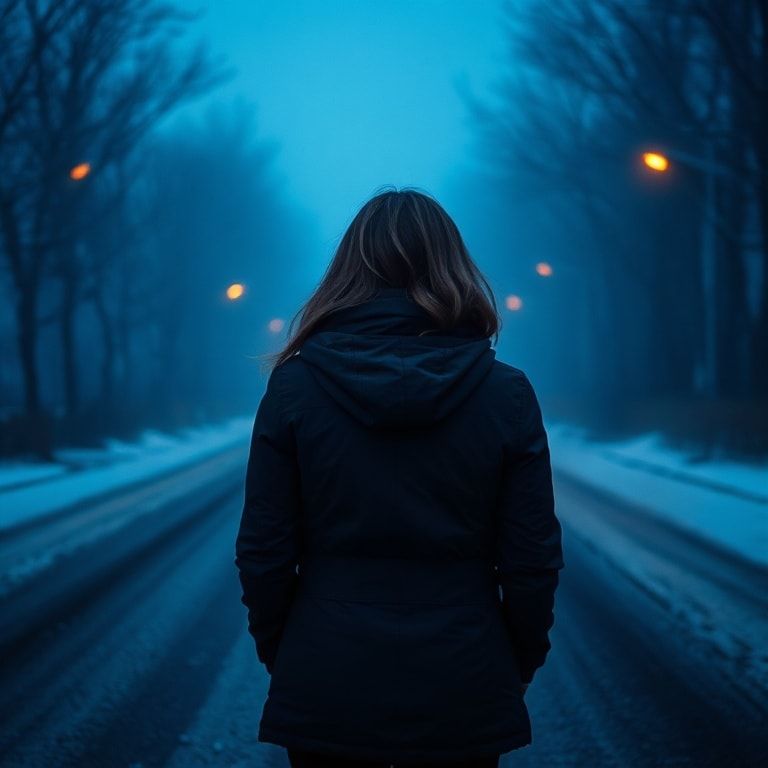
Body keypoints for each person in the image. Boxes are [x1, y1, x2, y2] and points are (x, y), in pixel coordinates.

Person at [234, 187, 565, 768]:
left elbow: (263, 552)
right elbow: (533, 559)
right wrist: (510, 663)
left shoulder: (295, 389)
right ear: (453, 266)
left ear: (347, 274)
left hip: (328, 672)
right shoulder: (506, 394)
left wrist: (290, 653)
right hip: (463, 674)